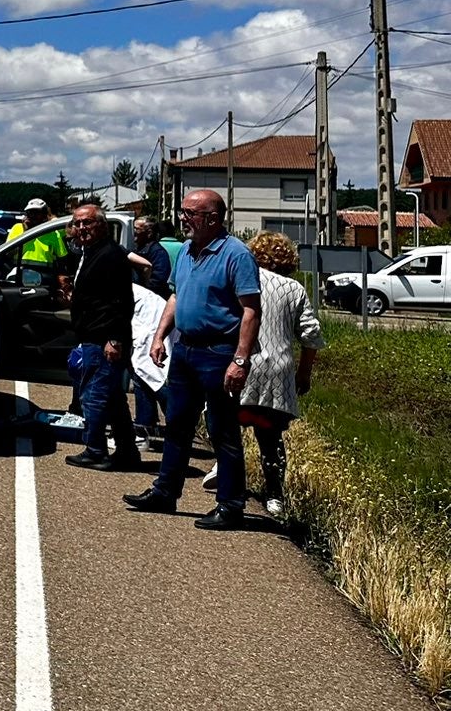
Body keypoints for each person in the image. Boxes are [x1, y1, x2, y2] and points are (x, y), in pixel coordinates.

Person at [125, 189, 262, 528]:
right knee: (177, 425)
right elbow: (175, 295)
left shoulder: (236, 254)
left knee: (222, 431)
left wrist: (240, 360)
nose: (182, 218)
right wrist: (159, 336)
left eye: (190, 213)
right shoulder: (186, 250)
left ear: (212, 218)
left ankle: (230, 505)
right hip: (185, 350)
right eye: (183, 211)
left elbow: (250, 311)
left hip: (219, 353)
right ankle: (166, 491)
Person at [239, 231, 323, 519]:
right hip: (278, 371)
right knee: (270, 435)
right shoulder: (294, 289)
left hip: (242, 364)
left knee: (227, 425)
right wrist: (304, 373)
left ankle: (229, 477)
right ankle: (274, 494)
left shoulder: (242, 280)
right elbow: (311, 336)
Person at [64, 203, 140, 471]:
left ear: (102, 225)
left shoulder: (110, 255)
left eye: (88, 222)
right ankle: (127, 451)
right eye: (78, 223)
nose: (81, 228)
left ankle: (95, 449)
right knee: (113, 399)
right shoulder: (91, 252)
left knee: (94, 397)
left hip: (104, 337)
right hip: (94, 334)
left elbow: (120, 302)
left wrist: (115, 339)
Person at [125, 215, 173, 447]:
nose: (135, 233)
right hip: (139, 310)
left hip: (151, 314)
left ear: (150, 232)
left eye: (139, 229)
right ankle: (145, 425)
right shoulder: (139, 249)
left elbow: (158, 280)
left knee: (149, 371)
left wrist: (140, 290)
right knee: (140, 373)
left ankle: (174, 418)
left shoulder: (158, 253)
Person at [9, 197, 69, 285]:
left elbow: (62, 258)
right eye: (30, 212)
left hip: (45, 279)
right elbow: (8, 253)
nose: (32, 215)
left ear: (44, 214)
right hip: (20, 276)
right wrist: (26, 232)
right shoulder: (18, 228)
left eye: (36, 212)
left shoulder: (52, 232)